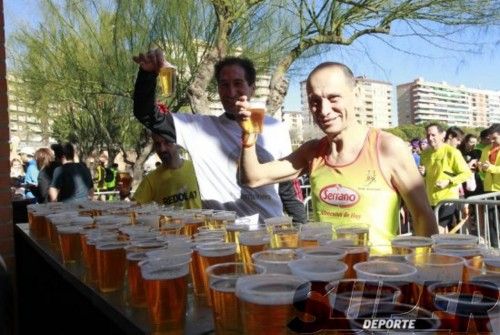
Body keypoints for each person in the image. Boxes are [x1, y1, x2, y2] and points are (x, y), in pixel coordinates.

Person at [238, 62, 437, 245]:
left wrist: (418, 274)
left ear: (356, 94)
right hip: (327, 274)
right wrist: (248, 137)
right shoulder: (313, 151)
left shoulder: (387, 147)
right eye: (314, 101)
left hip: (377, 277)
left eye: (333, 98)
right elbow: (252, 178)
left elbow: (423, 217)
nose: (323, 110)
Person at [133, 49, 306, 223]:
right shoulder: (200, 128)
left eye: (238, 83)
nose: (231, 91)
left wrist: (301, 228)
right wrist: (147, 75)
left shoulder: (276, 128)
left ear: (252, 88)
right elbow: (147, 115)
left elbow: (286, 188)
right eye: (224, 85)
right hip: (222, 241)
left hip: (270, 236)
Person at [419, 123, 471, 232]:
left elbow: (466, 173)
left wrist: (449, 181)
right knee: (436, 231)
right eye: (428, 135)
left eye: (433, 135)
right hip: (431, 199)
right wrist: (423, 173)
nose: (430, 138)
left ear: (442, 135)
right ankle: (444, 248)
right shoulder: (425, 153)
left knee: (438, 230)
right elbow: (426, 174)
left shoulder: (452, 152)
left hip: (448, 198)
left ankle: (437, 248)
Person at [133, 132, 202, 208]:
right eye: (157, 144)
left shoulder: (197, 169)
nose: (162, 149)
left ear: (178, 144)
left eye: (167, 142)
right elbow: (134, 210)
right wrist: (124, 195)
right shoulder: (151, 180)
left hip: (201, 220)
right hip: (167, 220)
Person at [478, 123, 500, 247]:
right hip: (489, 189)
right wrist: (481, 167)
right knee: (492, 220)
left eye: (495, 138)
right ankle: (494, 246)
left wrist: (491, 168)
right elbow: (482, 165)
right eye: (490, 138)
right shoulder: (486, 149)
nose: (492, 141)